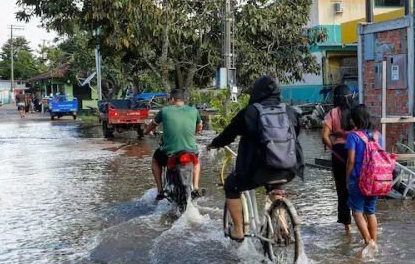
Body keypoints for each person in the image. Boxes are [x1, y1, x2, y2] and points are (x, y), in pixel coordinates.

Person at [209, 76, 303, 241]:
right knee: (276, 186)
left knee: (231, 185)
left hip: (259, 171)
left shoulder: (250, 112)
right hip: (289, 169)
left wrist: (214, 144)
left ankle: (238, 230)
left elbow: (228, 135)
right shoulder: (289, 111)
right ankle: (282, 224)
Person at [145, 88, 204, 201]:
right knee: (196, 162)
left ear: (172, 99)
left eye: (169, 99)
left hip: (170, 153)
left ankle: (160, 191)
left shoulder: (165, 111)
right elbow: (200, 126)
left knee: (155, 161)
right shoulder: (193, 110)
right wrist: (194, 134)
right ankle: (196, 187)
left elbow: (152, 125)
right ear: (183, 100)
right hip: (190, 150)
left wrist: (146, 132)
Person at [344, 105, 381, 258]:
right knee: (370, 211)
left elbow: (351, 160)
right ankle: (375, 243)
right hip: (375, 180)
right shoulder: (378, 135)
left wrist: (347, 178)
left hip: (358, 179)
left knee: (357, 212)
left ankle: (368, 242)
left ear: (355, 119)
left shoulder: (353, 136)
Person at [321, 84, 355, 234]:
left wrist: (334, 149)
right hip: (356, 151)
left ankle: (348, 227)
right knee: (359, 186)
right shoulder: (356, 112)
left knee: (342, 190)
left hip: (339, 153)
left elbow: (324, 136)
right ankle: (363, 219)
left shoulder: (332, 113)